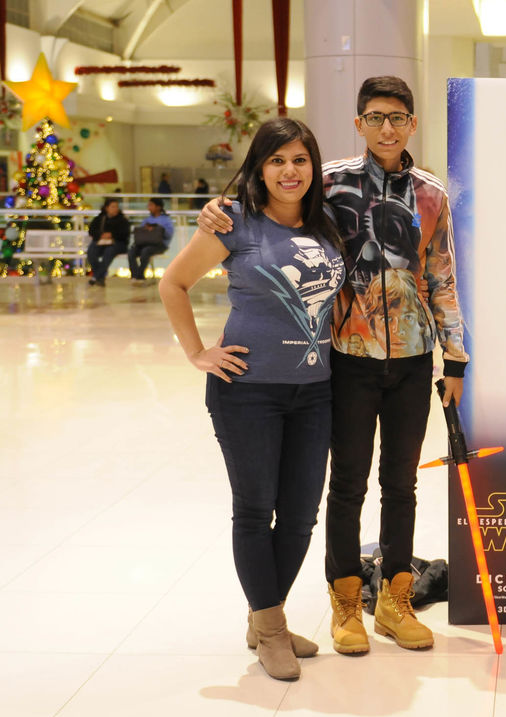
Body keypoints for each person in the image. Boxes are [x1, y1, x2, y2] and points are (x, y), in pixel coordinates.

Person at [198, 76, 468, 656]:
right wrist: (217, 209)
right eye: (375, 117)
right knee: (346, 484)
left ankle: (394, 601)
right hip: (346, 356)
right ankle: (345, 601)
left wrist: (455, 357)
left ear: (412, 124)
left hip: (414, 357)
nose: (386, 128)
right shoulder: (329, 183)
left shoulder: (431, 194)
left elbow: (442, 276)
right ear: (358, 123)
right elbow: (271, 198)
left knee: (401, 483)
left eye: (397, 117)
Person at [160, 117, 346, 681]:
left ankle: (265, 617)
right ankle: (270, 630)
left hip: (315, 390)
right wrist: (197, 352)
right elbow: (173, 283)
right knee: (255, 509)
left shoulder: (326, 222)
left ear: (313, 166)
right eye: (277, 160)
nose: (290, 171)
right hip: (248, 392)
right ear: (259, 168)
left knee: (301, 515)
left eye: (300, 160)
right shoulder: (234, 220)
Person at [85, 197, 130, 286]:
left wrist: (112, 235)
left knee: (109, 252)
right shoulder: (99, 219)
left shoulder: (122, 220)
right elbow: (91, 231)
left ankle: (95, 277)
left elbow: (125, 234)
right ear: (106, 208)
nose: (115, 209)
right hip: (101, 242)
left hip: (117, 243)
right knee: (91, 252)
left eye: (116, 207)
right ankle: (100, 277)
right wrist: (101, 235)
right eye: (113, 207)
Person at [128, 197, 174, 284]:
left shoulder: (166, 220)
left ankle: (140, 275)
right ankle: (134, 275)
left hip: (159, 245)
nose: (149, 207)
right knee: (131, 252)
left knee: (146, 251)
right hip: (145, 243)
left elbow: (169, 234)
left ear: (158, 207)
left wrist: (157, 229)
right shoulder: (147, 220)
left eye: (151, 205)